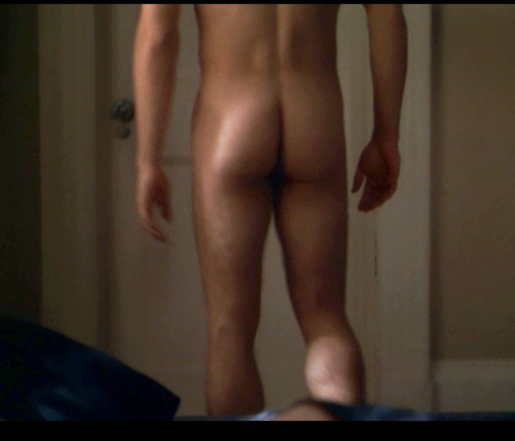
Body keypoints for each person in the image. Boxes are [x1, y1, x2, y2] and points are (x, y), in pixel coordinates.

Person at [133, 4, 407, 416]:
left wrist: (148, 159)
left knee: (229, 327)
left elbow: (158, 34)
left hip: (231, 121)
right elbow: (387, 15)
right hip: (314, 118)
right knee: (326, 318)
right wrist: (386, 135)